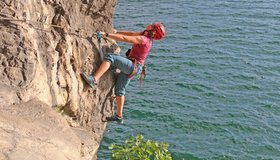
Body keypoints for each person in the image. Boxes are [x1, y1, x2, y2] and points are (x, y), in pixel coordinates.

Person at [81, 22, 166, 123]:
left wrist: (106, 35)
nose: (150, 24)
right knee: (120, 90)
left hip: (132, 66)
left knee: (110, 57)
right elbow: (131, 34)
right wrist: (117, 31)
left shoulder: (144, 39)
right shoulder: (144, 34)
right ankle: (119, 116)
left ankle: (94, 79)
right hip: (135, 68)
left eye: (152, 25)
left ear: (152, 30)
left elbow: (125, 39)